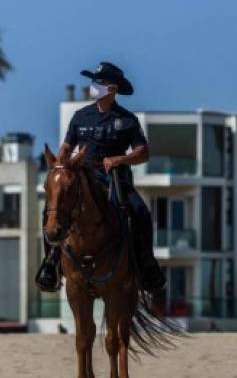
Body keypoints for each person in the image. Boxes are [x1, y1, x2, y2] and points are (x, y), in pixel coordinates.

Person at [35, 61, 166, 293]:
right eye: (94, 81)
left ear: (113, 88)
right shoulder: (80, 116)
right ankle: (51, 263)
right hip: (80, 174)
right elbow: (66, 147)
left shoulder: (127, 120)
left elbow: (143, 153)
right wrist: (60, 163)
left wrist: (120, 159)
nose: (94, 86)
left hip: (114, 178)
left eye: (101, 82)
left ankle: (147, 265)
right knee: (52, 209)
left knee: (141, 212)